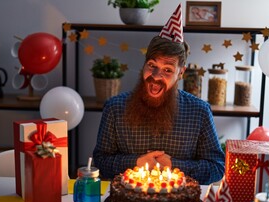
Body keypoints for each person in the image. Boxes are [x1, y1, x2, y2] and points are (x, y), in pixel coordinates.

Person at [93, 4, 225, 185]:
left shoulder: (199, 112)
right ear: (144, 63)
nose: (156, 77)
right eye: (152, 66)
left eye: (167, 70)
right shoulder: (115, 108)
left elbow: (216, 168)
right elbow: (100, 162)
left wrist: (174, 165)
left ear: (181, 73)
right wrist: (136, 163)